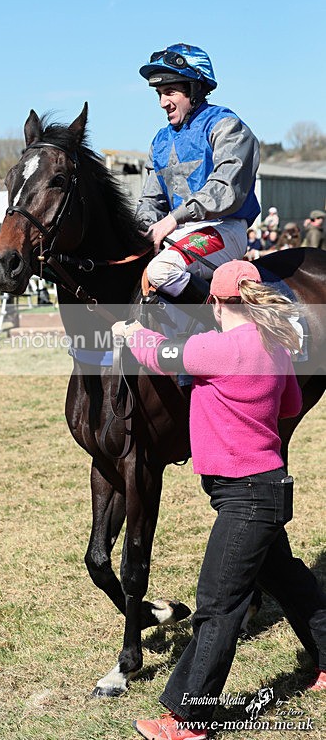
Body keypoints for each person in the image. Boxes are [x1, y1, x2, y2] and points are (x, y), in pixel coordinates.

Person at [113, 260, 326, 740]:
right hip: (265, 488)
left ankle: (188, 719)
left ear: (214, 301)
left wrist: (131, 331)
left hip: (246, 497)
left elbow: (163, 354)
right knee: (290, 583)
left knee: (217, 604)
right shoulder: (273, 344)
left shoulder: (220, 347)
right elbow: (289, 405)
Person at [136, 44, 260, 307]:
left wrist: (174, 218)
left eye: (170, 92)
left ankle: (221, 325)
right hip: (178, 232)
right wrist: (142, 228)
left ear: (194, 90)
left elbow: (225, 188)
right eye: (159, 93)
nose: (162, 103)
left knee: (161, 271)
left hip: (223, 228)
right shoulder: (160, 140)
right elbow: (151, 199)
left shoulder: (226, 126)